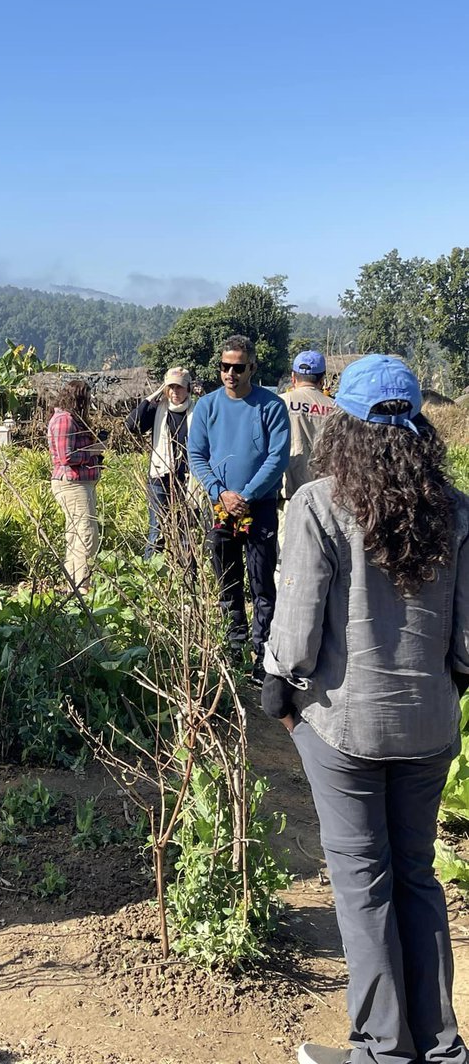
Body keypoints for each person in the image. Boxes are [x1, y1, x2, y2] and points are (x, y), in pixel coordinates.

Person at [262, 355, 469, 1064]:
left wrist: (280, 694)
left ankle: (381, 1051)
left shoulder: (319, 503)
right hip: (431, 727)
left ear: (342, 423)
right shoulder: (457, 508)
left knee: (362, 885)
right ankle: (441, 1049)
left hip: (342, 728)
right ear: (421, 426)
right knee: (417, 875)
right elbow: (467, 642)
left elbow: (295, 629)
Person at [187, 334, 290, 677]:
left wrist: (245, 495)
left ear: (252, 368)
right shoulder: (207, 406)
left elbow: (277, 458)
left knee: (262, 583)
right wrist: (220, 493)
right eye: (224, 367)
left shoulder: (271, 407)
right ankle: (234, 647)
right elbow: (197, 455)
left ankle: (263, 656)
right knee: (227, 582)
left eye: (238, 367)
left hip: (258, 507)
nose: (230, 373)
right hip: (220, 507)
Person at [125, 366, 194, 558]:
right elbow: (131, 424)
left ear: (188, 388)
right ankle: (152, 576)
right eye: (170, 387)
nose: (175, 392)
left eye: (179, 387)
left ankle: (188, 577)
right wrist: (153, 395)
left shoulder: (198, 412)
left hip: (187, 480)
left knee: (185, 532)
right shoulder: (157, 410)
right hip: (159, 477)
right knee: (157, 530)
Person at [48, 378, 105, 592]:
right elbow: (66, 457)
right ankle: (81, 586)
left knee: (74, 534)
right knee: (86, 532)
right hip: (73, 483)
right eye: (86, 398)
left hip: (78, 483)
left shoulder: (69, 418)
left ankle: (74, 583)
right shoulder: (65, 419)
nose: (88, 403)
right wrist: (94, 451)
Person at [279, 350, 336, 501]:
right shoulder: (336, 408)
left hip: (289, 493)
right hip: (326, 495)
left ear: (293, 377)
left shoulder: (279, 402)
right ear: (323, 379)